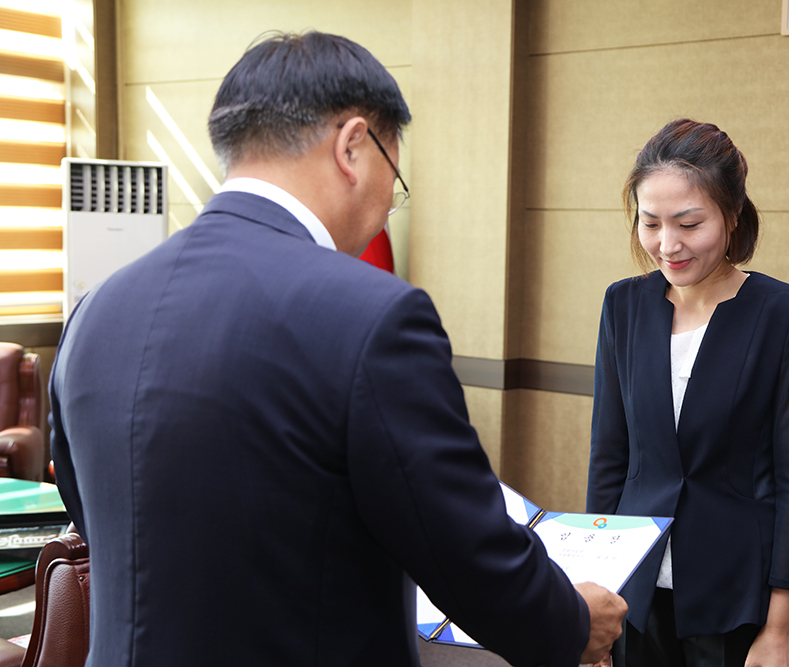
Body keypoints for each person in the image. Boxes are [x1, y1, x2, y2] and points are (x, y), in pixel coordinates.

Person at [49, 31, 627, 667]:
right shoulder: (371, 314)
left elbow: (93, 514)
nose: (387, 206)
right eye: (395, 177)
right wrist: (573, 623)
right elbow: (463, 548)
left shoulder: (95, 311)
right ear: (354, 146)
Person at [586, 119, 789, 667]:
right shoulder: (623, 306)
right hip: (633, 589)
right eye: (650, 223)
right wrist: (595, 594)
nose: (667, 245)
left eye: (689, 223)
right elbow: (610, 458)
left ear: (732, 215)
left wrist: (779, 627)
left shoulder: (786, 315)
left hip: (734, 591)